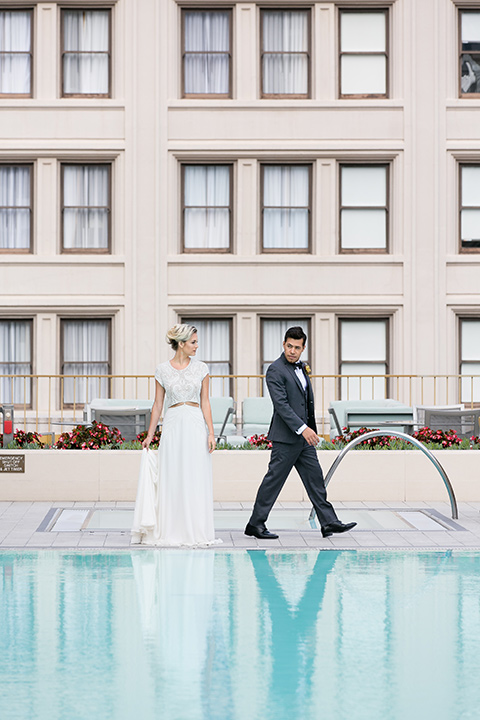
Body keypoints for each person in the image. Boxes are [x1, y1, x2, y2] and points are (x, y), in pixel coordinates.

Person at [245, 326, 356, 540]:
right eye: (289, 346)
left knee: (315, 479)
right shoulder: (275, 370)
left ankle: (328, 522)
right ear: (283, 344)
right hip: (286, 439)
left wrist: (309, 428)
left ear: (303, 348)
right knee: (273, 481)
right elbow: (282, 405)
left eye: (297, 347)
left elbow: (306, 401)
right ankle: (255, 524)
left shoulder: (301, 368)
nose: (292, 351)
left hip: (304, 439)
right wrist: (303, 428)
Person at [131, 323, 221, 546]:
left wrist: (211, 432)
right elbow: (157, 404)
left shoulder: (201, 369)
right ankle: (171, 530)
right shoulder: (162, 370)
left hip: (194, 424)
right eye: (193, 342)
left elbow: (206, 402)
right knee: (171, 476)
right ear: (181, 344)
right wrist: (150, 435)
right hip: (172, 425)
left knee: (195, 476)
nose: (197, 346)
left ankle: (196, 531)